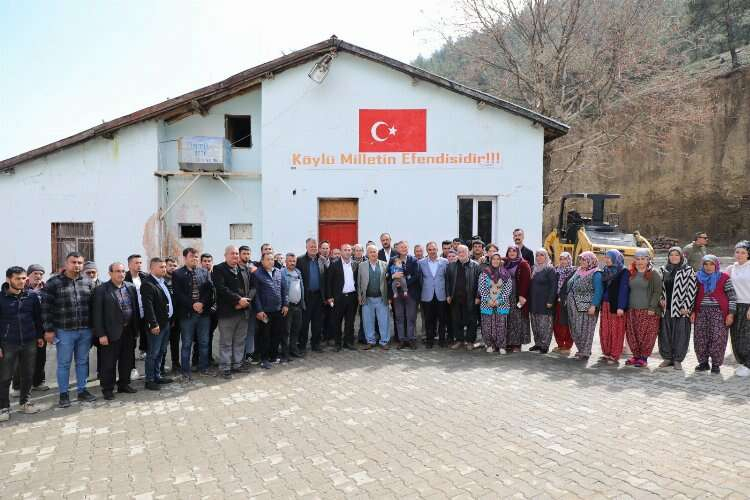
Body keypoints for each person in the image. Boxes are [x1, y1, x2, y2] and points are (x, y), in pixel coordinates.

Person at [43, 252, 97, 407]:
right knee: (64, 364)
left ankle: (82, 391)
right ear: (66, 264)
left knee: (82, 362)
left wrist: (95, 328)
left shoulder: (88, 282)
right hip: (64, 331)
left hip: (85, 330)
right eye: (73, 262)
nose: (77, 265)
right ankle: (64, 394)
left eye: (80, 262)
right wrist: (48, 330)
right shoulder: (53, 283)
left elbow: (94, 307)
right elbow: (46, 308)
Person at [0, 267, 43, 420]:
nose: (21, 281)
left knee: (28, 374)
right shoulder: (1, 298)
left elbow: (38, 318)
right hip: (8, 343)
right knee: (5, 377)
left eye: (24, 278)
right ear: (8, 279)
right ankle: (3, 408)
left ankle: (25, 403)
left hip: (29, 341)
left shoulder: (32, 296)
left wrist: (39, 336)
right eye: (17, 278)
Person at [92, 263, 139, 400]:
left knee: (127, 360)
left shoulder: (130, 287)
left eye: (123, 271)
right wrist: (101, 334)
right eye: (117, 271)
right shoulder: (101, 290)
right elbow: (97, 314)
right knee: (108, 363)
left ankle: (124, 384)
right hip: (110, 332)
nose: (121, 274)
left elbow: (135, 308)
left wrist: (136, 329)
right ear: (110, 273)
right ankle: (107, 389)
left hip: (128, 330)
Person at [212, 246, 254, 379]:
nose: (235, 256)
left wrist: (246, 301)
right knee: (226, 342)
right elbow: (221, 289)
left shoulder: (244, 269)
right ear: (225, 255)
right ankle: (225, 367)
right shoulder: (218, 269)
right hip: (227, 313)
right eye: (232, 253)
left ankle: (237, 364)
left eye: (236, 253)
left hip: (243, 311)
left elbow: (252, 287)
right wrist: (238, 300)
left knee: (240, 340)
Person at [173, 248, 214, 380]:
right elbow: (178, 294)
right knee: (186, 344)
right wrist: (193, 305)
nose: (195, 259)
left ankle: (204, 368)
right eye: (192, 256)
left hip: (203, 314)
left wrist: (202, 303)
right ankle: (185, 371)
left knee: (204, 342)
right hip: (187, 315)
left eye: (196, 257)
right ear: (185, 258)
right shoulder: (178, 274)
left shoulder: (204, 272)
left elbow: (209, 291)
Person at [692, 255, 737, 373]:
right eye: (706, 264)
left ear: (716, 265)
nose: (708, 267)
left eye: (711, 264)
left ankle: (716, 364)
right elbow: (692, 296)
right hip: (701, 312)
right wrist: (692, 311)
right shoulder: (697, 277)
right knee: (700, 338)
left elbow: (732, 297)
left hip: (719, 313)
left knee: (718, 338)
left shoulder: (724, 278)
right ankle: (703, 363)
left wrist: (731, 314)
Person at [658, 247, 697, 371]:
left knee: (680, 336)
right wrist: (660, 299)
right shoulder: (663, 269)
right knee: (665, 334)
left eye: (676, 255)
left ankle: (677, 360)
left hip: (680, 309)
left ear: (681, 257)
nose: (674, 257)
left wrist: (687, 307)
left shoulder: (688, 270)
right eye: (671, 255)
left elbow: (692, 289)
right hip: (665, 309)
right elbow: (659, 288)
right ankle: (667, 358)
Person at [624, 249, 663, 368]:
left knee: (646, 336)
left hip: (648, 310)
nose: (640, 261)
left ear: (648, 260)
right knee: (633, 334)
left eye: (643, 259)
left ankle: (643, 358)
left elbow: (657, 292)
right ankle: (636, 356)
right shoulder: (631, 272)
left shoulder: (653, 273)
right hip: (632, 309)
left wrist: (652, 307)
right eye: (637, 259)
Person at [140, 258, 174, 390]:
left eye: (164, 267)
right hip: (157, 325)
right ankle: (149, 380)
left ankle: (157, 376)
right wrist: (153, 324)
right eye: (161, 267)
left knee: (161, 351)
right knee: (153, 353)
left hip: (166, 323)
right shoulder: (148, 284)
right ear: (152, 268)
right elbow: (148, 307)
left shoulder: (162, 281)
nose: (164, 269)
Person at [14, 264, 48, 394]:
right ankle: (18, 386)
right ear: (29, 275)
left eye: (41, 274)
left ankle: (38, 382)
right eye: (35, 273)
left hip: (42, 328)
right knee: (21, 360)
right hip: (24, 329)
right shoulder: (21, 288)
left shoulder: (46, 289)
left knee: (40, 357)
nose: (38, 276)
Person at [565, 251, 603, 361]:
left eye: (584, 259)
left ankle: (585, 351)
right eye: (581, 259)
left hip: (587, 306)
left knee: (586, 329)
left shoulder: (596, 273)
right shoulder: (578, 270)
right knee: (575, 328)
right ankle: (581, 349)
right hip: (574, 305)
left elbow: (598, 291)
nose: (581, 261)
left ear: (591, 261)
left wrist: (594, 305)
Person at [254, 252, 289, 369]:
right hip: (265, 311)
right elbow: (256, 295)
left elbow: (284, 290)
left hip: (278, 310)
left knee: (276, 334)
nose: (270, 261)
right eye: (268, 259)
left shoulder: (278, 272)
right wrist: (259, 310)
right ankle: (264, 359)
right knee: (265, 336)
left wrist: (285, 304)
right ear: (262, 261)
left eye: (272, 259)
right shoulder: (257, 274)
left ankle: (273, 356)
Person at [446, 245, 480, 350]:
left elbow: (480, 283)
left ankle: (470, 341)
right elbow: (447, 282)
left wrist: (478, 296)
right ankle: (459, 340)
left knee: (472, 321)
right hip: (455, 298)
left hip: (470, 298)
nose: (461, 254)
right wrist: (448, 295)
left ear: (468, 253)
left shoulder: (475, 266)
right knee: (456, 320)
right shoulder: (451, 266)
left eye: (463, 251)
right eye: (459, 252)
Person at [598, 250, 629, 365]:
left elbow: (624, 290)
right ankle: (607, 352)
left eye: (609, 257)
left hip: (616, 305)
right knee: (605, 329)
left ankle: (614, 355)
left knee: (616, 330)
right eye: (605, 257)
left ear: (616, 258)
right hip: (605, 304)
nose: (606, 260)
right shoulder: (606, 270)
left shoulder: (623, 271)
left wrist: (621, 306)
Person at [388, 241, 420, 349]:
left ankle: (411, 339)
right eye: (401, 247)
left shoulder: (413, 260)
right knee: (399, 317)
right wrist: (393, 277)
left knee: (411, 317)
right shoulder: (393, 260)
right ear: (397, 249)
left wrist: (404, 282)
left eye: (405, 247)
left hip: (410, 293)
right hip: (397, 294)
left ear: (408, 248)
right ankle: (402, 340)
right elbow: (388, 275)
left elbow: (416, 276)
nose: (403, 249)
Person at [326, 244, 359, 351]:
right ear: (341, 252)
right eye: (345, 250)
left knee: (350, 321)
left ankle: (348, 342)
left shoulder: (355, 264)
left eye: (349, 250)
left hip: (352, 297)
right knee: (337, 321)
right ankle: (337, 343)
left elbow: (358, 280)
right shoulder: (334, 265)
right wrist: (330, 296)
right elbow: (329, 282)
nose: (347, 252)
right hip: (338, 297)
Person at [358, 245, 391, 350]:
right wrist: (359, 296)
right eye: (371, 252)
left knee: (384, 321)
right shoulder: (362, 265)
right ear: (367, 254)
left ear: (378, 253)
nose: (373, 254)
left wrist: (389, 297)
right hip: (367, 298)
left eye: (375, 252)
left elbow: (389, 282)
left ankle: (384, 341)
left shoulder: (384, 264)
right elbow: (359, 282)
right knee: (368, 321)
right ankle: (370, 341)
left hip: (381, 298)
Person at [478, 254, 513, 353]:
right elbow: (481, 288)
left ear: (500, 261)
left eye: (498, 259)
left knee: (501, 326)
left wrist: (499, 300)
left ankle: (501, 346)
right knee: (487, 326)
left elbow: (508, 289)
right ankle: (490, 345)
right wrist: (488, 300)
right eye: (493, 259)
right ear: (490, 260)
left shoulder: (505, 273)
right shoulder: (484, 273)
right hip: (487, 304)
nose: (496, 261)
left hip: (502, 304)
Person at [297, 238, 326, 353]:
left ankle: (316, 344)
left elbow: (325, 277)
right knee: (304, 322)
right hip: (306, 296)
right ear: (306, 247)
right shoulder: (300, 260)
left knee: (317, 322)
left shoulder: (321, 260)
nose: (313, 248)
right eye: (311, 246)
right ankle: (302, 345)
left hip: (318, 296)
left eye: (315, 246)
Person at [419, 242, 449, 348]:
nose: (432, 251)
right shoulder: (421, 263)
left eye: (434, 249)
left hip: (441, 294)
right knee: (428, 319)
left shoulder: (445, 262)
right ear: (427, 251)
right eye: (430, 249)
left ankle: (442, 340)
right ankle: (429, 340)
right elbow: (420, 279)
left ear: (437, 249)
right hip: (427, 295)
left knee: (442, 319)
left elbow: (447, 278)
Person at [727, 241, 750, 377]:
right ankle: (742, 362)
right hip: (734, 306)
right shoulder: (731, 268)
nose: (739, 255)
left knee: (746, 337)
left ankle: (748, 364)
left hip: (748, 306)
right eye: (737, 252)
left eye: (743, 252)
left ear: (748, 254)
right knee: (735, 336)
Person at [528, 249, 557, 354]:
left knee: (544, 325)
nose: (539, 257)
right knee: (535, 324)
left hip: (545, 302)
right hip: (534, 302)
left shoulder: (550, 269)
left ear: (546, 257)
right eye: (537, 255)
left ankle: (544, 345)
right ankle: (538, 344)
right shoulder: (533, 268)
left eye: (542, 255)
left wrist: (550, 300)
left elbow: (554, 286)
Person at [504, 245, 532, 353]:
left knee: (518, 319)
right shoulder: (506, 262)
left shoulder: (523, 264)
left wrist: (522, 295)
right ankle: (509, 342)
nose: (512, 253)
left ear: (518, 253)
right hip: (507, 295)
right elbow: (495, 258)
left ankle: (517, 344)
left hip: (517, 295)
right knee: (509, 319)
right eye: (510, 251)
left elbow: (526, 281)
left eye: (514, 251)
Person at [281, 253, 305, 360]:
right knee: (286, 331)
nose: (292, 263)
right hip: (288, 307)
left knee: (296, 329)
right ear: (285, 262)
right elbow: (281, 290)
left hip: (298, 306)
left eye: (294, 261)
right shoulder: (282, 273)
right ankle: (285, 353)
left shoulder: (298, 272)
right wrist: (284, 304)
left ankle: (293, 350)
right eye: (290, 261)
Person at [125, 254, 148, 362]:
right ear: (129, 265)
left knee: (145, 334)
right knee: (132, 338)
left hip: (144, 311)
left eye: (140, 262)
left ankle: (143, 352)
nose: (139, 265)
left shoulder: (144, 276)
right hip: (132, 313)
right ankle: (130, 363)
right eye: (136, 263)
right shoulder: (125, 278)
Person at [552, 252, 576, 354]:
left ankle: (567, 346)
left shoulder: (574, 271)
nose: (563, 261)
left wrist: (565, 297)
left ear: (569, 260)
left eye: (565, 259)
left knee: (566, 323)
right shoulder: (556, 270)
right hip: (556, 301)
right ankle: (560, 344)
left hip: (567, 301)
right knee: (557, 323)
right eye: (561, 259)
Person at [161, 257, 181, 375]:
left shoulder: (179, 279)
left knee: (175, 342)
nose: (172, 268)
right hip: (165, 318)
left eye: (175, 265)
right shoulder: (161, 280)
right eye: (170, 265)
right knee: (163, 343)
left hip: (177, 317)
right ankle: (161, 366)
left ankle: (176, 363)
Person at [199, 253, 218, 367]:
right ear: (201, 263)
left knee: (210, 335)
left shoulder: (216, 276)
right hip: (202, 311)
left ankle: (209, 358)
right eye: (205, 261)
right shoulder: (198, 276)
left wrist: (215, 306)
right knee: (200, 337)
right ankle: (197, 360)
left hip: (214, 311)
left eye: (209, 261)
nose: (207, 263)